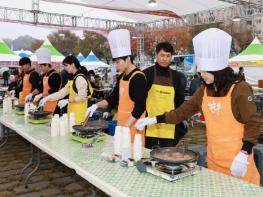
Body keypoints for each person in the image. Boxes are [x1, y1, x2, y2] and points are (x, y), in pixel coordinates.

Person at [135, 28, 260, 185]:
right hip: (214, 159)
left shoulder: (240, 88)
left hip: (239, 160)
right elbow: (182, 112)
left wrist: (245, 152)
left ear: (218, 70)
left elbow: (253, 122)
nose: (200, 74)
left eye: (204, 71)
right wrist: (154, 119)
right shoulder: (204, 91)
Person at [87, 29, 148, 144]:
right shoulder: (121, 77)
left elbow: (140, 108)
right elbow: (113, 98)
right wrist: (96, 105)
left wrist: (125, 127)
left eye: (118, 62)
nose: (115, 66)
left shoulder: (138, 78)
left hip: (133, 127)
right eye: (114, 62)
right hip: (122, 125)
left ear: (128, 59)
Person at [143, 42, 187, 149]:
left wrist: (179, 129)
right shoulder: (146, 74)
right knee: (149, 156)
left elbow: (179, 103)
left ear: (171, 57)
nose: (165, 59)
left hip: (169, 126)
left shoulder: (177, 77)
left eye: (168, 56)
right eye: (162, 55)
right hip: (150, 125)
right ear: (156, 55)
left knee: (167, 156)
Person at [39, 55, 93, 124]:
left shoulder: (80, 78)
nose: (65, 68)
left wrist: (67, 100)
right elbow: (61, 93)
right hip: (72, 112)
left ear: (73, 64)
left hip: (79, 114)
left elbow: (82, 97)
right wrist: (47, 98)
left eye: (66, 65)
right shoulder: (73, 78)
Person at [32, 48, 61, 114]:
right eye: (40, 66)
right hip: (45, 102)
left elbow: (54, 90)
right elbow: (40, 88)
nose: (40, 68)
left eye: (41, 66)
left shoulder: (55, 75)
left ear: (47, 65)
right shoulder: (45, 75)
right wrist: (32, 94)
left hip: (53, 103)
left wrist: (41, 95)